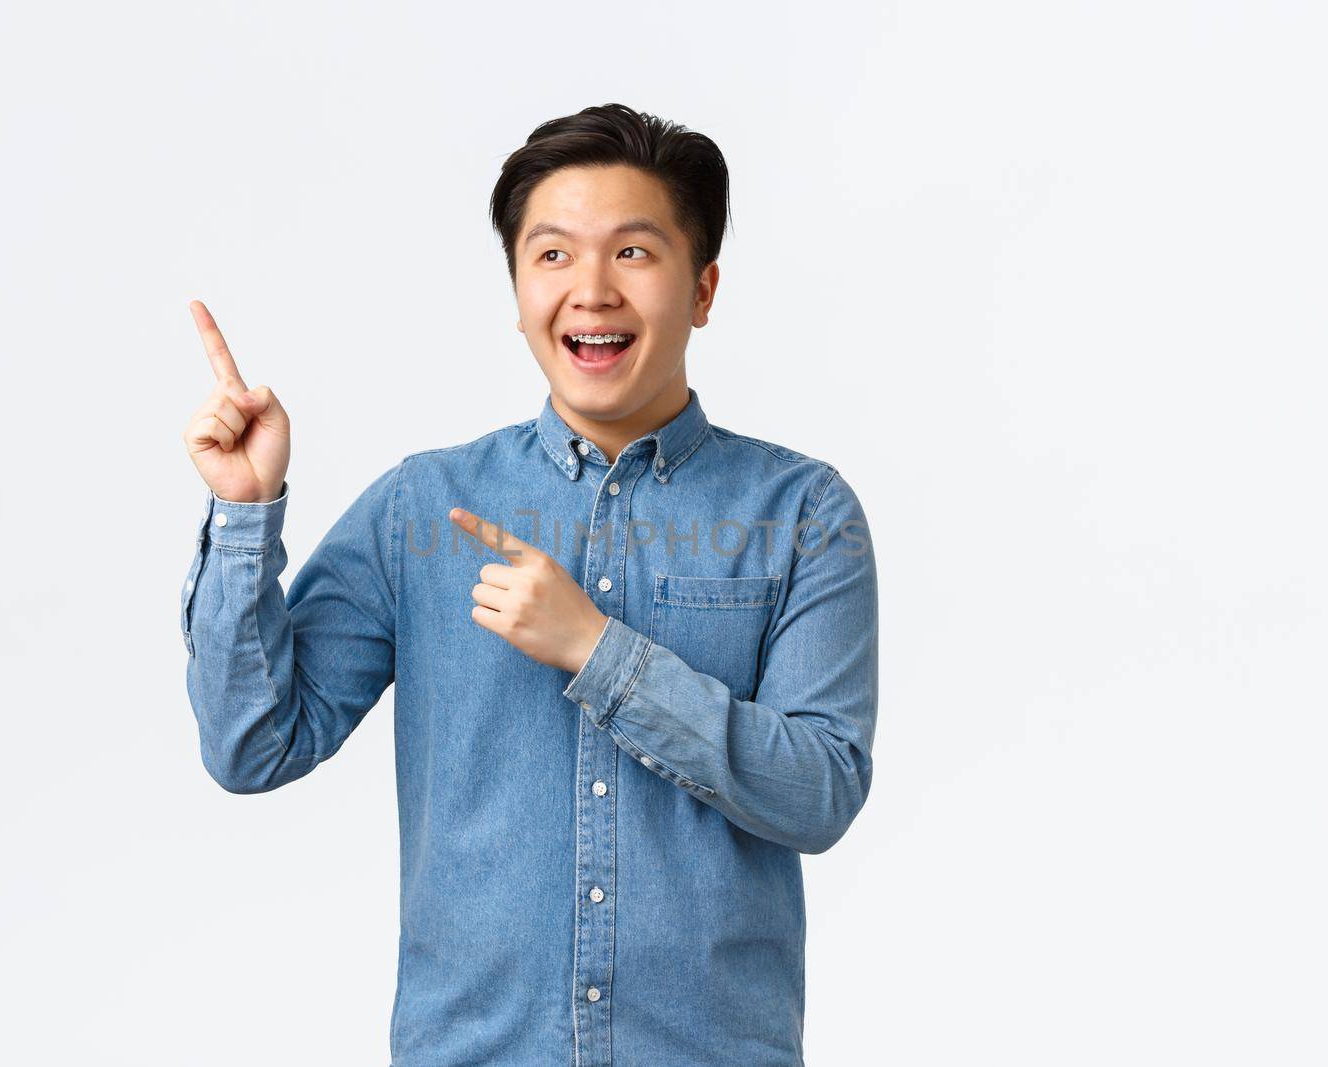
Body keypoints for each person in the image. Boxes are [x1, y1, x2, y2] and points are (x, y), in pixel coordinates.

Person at [178, 102, 879, 1067]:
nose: (590, 290)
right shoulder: (421, 508)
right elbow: (252, 745)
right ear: (516, 291)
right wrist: (245, 518)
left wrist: (601, 652)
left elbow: (821, 792)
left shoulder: (804, 511)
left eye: (634, 252)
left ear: (704, 288)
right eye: (552, 255)